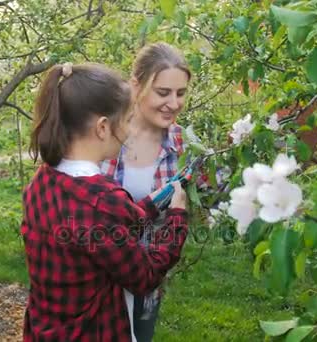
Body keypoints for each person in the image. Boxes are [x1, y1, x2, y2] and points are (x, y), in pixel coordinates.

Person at [22, 62, 189, 341]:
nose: (127, 131)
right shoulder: (100, 201)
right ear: (102, 127)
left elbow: (109, 231)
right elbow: (144, 275)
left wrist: (160, 197)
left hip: (47, 329)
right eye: (125, 121)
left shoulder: (44, 179)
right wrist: (177, 219)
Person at [101, 42, 192, 342]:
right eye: (163, 92)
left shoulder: (183, 144)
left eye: (180, 93)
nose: (174, 103)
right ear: (136, 85)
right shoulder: (105, 134)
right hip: (100, 276)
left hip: (148, 275)